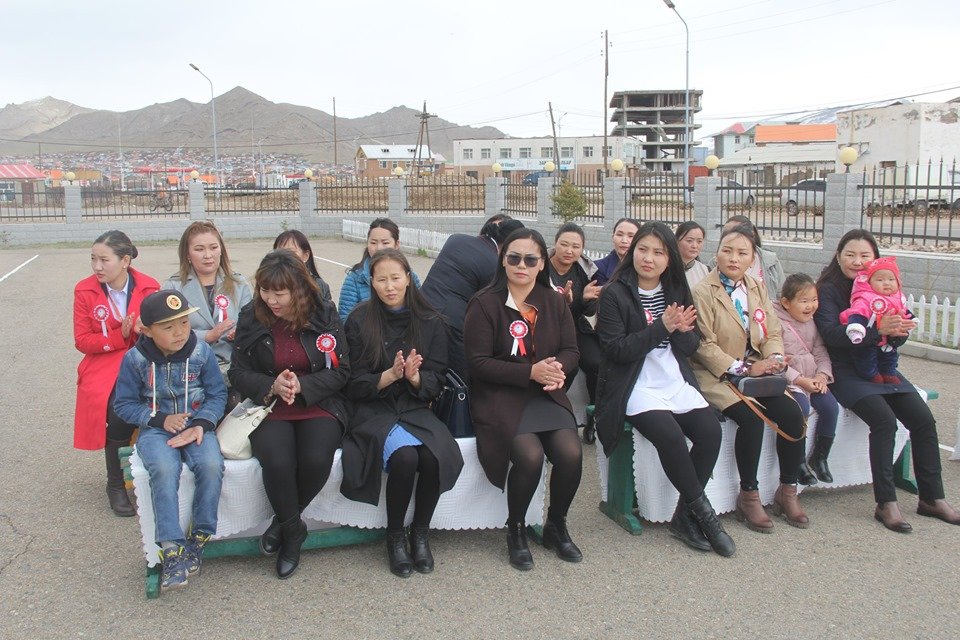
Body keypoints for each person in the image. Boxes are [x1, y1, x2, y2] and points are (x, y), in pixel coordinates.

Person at [595, 222, 734, 557]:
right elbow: (617, 350)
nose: (649, 258)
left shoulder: (675, 289)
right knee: (670, 436)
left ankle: (683, 517)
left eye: (658, 252)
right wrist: (662, 327)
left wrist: (682, 332)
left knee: (709, 432)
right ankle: (706, 517)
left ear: (669, 258)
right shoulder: (614, 293)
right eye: (643, 249)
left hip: (672, 377)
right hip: (634, 382)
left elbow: (689, 346)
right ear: (633, 252)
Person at [815, 229, 960, 532]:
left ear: (876, 259)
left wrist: (897, 332)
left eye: (864, 255)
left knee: (923, 419)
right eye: (850, 254)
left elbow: (897, 332)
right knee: (884, 421)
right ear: (838, 256)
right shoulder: (827, 289)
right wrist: (877, 330)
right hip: (845, 369)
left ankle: (932, 498)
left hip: (881, 365)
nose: (857, 261)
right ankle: (886, 502)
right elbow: (830, 334)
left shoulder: (886, 285)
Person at [464, 228, 584, 571]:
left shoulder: (554, 301)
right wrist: (529, 372)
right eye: (514, 257)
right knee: (530, 457)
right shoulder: (484, 303)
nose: (521, 265)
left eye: (530, 259)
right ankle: (515, 529)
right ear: (502, 260)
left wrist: (557, 369)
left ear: (542, 263)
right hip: (501, 395)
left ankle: (556, 525)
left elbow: (571, 350)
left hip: (544, 394)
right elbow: (477, 363)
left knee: (571, 454)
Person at [341, 249, 464, 578]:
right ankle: (395, 536)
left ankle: (420, 533)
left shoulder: (431, 321)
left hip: (413, 405)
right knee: (405, 457)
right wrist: (388, 376)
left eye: (396, 278)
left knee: (435, 457)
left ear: (409, 278)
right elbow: (351, 382)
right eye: (381, 279)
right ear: (371, 283)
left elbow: (437, 379)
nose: (390, 286)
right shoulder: (359, 320)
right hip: (373, 408)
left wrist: (414, 378)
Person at [229, 250, 351, 578]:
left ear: (298, 288)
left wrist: (304, 384)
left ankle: (282, 524)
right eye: (265, 290)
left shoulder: (324, 313)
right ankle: (294, 533)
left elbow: (342, 370)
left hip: (318, 402)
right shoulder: (251, 315)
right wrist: (271, 384)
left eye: (279, 293)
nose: (271, 300)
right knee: (278, 461)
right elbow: (237, 372)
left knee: (316, 459)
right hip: (269, 406)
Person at [690, 223, 810, 533]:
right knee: (751, 419)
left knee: (793, 414)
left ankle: (788, 491)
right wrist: (743, 368)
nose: (734, 258)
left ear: (752, 258)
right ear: (716, 254)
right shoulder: (702, 291)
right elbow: (703, 345)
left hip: (757, 371)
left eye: (742, 253)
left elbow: (771, 331)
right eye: (727, 251)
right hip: (716, 374)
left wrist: (775, 359)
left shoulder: (756, 287)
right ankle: (749, 495)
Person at [112, 290, 227, 592]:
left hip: (197, 425)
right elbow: (123, 404)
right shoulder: (135, 359)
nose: (179, 332)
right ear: (148, 331)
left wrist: (202, 423)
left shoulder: (201, 351)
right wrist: (159, 419)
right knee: (163, 469)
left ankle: (200, 536)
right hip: (156, 429)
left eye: (184, 323)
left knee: (211, 465)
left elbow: (217, 394)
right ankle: (172, 547)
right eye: (168, 327)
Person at [73, 230, 159, 516]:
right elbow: (82, 340)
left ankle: (156, 474)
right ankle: (115, 484)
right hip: (104, 364)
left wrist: (147, 331)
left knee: (165, 403)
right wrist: (118, 336)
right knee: (117, 410)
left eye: (104, 260)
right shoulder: (84, 290)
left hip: (144, 360)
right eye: (93, 259)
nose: (97, 266)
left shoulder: (149, 287)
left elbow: (163, 331)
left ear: (125, 261)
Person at [419, 214, 525, 381]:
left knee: (423, 366)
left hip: (420, 306)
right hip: (452, 324)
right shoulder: (494, 264)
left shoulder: (456, 239)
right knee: (460, 378)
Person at [163, 221, 253, 378]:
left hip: (234, 365)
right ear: (187, 254)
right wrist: (207, 336)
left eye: (213, 247)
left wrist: (239, 333)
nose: (208, 255)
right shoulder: (173, 287)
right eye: (199, 249)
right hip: (189, 367)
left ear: (221, 250)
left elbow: (252, 324)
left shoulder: (239, 284)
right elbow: (166, 330)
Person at [774, 273, 838, 485]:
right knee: (799, 409)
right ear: (786, 303)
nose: (810, 306)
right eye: (804, 301)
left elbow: (820, 352)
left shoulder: (812, 323)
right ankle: (798, 460)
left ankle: (820, 457)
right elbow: (776, 360)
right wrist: (800, 380)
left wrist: (822, 375)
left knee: (830, 407)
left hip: (812, 378)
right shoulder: (776, 323)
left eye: (814, 300)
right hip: (790, 382)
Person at [546, 222, 602, 444]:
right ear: (555, 243)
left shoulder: (585, 271)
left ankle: (593, 417)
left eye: (576, 247)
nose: (569, 251)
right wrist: (562, 303)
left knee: (596, 363)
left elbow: (586, 311)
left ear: (582, 249)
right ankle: (552, 410)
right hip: (544, 328)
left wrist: (583, 300)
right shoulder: (540, 267)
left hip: (574, 328)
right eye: (564, 244)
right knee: (566, 366)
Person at [838, 256, 913, 383]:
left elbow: (905, 312)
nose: (886, 283)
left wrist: (910, 321)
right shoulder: (865, 298)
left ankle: (888, 373)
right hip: (867, 339)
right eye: (880, 280)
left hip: (887, 340)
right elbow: (858, 312)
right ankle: (871, 374)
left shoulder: (898, 299)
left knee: (891, 354)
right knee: (866, 356)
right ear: (870, 282)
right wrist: (857, 327)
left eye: (891, 279)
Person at [338, 218, 421, 323]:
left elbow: (420, 311)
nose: (378, 248)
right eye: (373, 243)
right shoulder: (354, 278)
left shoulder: (411, 276)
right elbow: (345, 320)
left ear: (396, 245)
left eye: (385, 243)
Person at [713, 215, 785, 303]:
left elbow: (782, 294)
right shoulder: (715, 262)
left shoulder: (770, 260)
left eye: (736, 232)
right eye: (726, 232)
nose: (734, 259)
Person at [273, 229, 334, 304]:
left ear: (306, 256)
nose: (284, 256)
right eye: (279, 251)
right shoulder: (266, 282)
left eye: (291, 252)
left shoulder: (319, 286)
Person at [593, 217, 642, 286]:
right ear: (613, 237)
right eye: (619, 235)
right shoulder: (599, 268)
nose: (624, 241)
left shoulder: (645, 266)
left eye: (631, 236)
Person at [675, 221, 709, 289]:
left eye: (699, 241)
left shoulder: (704, 270)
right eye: (689, 240)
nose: (694, 246)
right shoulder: (665, 267)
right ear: (677, 240)